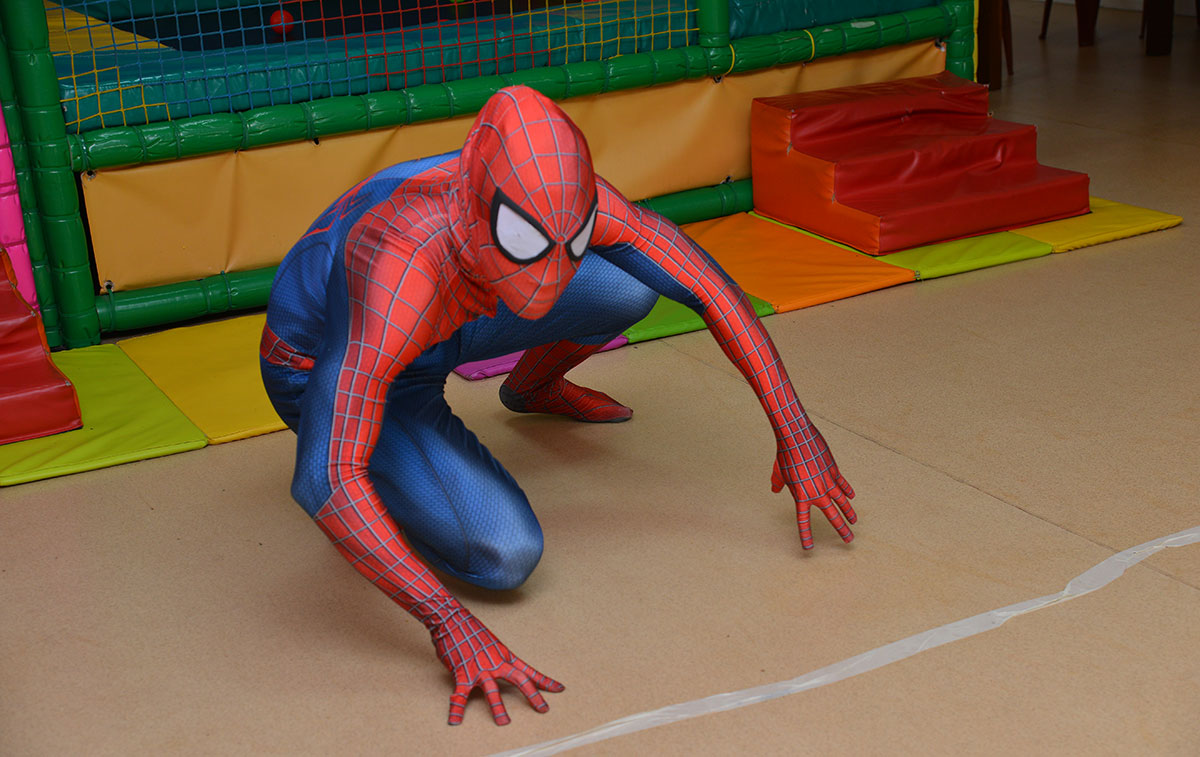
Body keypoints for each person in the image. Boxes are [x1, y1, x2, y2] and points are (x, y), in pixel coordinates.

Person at [260, 85, 857, 726]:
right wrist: (448, 622)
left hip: (453, 310)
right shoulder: (399, 259)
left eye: (570, 241)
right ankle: (401, 474)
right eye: (526, 238)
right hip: (336, 360)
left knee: (628, 287)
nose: (552, 275)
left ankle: (531, 387)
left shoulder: (567, 199)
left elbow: (710, 287)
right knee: (504, 556)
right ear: (481, 208)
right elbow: (325, 477)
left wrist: (795, 430)